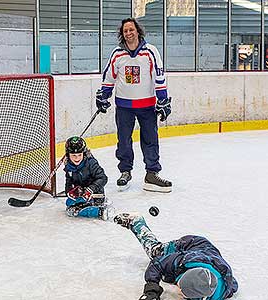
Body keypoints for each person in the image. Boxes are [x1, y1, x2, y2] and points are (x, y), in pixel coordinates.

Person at [95, 17, 172, 193]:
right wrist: (103, 97)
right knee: (124, 140)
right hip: (124, 107)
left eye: (131, 29)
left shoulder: (150, 52)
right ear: (122, 34)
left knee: (150, 139)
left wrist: (163, 100)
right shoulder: (117, 54)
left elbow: (159, 77)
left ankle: (152, 174)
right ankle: (125, 172)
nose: (128, 33)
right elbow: (109, 78)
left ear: (137, 31)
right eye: (125, 31)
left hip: (147, 106)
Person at [113, 213, 238, 299]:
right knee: (155, 252)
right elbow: (158, 264)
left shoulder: (224, 290)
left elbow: (232, 284)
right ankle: (136, 221)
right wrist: (152, 288)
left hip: (207, 256)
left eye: (182, 289)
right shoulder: (182, 261)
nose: (178, 288)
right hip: (191, 244)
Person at [63, 136, 110, 220]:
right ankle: (83, 207)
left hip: (95, 194)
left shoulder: (91, 163)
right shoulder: (69, 167)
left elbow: (103, 178)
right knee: (69, 203)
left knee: (73, 210)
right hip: (82, 194)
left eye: (79, 155)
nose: (77, 158)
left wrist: (91, 189)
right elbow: (68, 182)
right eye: (73, 155)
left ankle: (99, 211)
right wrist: (72, 191)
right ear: (68, 155)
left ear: (84, 153)